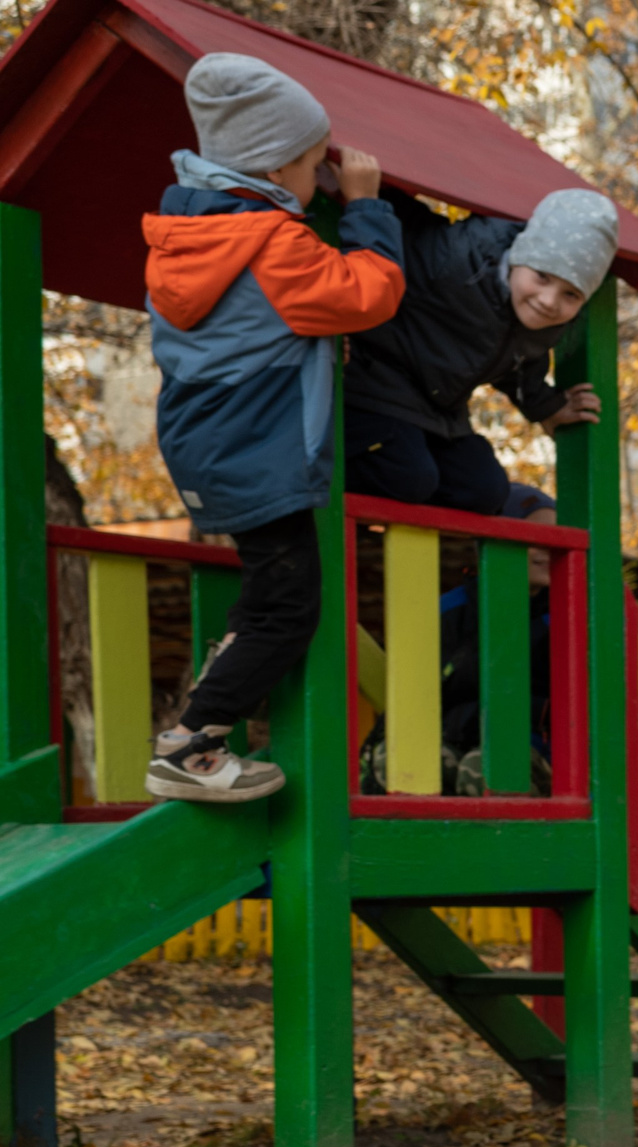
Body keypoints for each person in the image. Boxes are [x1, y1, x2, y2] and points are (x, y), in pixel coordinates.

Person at [142, 53, 404, 803]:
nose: (319, 178)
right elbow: (370, 293)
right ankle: (191, 741)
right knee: (291, 608)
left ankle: (209, 702)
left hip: (203, 440)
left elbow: (255, 327)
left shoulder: (185, 235)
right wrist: (364, 208)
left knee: (268, 590)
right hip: (257, 446)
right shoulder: (274, 242)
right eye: (314, 166)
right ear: (276, 168)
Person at [344, 185, 619, 524]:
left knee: (482, 492)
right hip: (372, 382)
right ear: (519, 257)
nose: (549, 300)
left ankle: (461, 537)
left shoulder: (543, 322)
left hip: (439, 411)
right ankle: (316, 473)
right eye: (542, 277)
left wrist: (547, 406)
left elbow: (521, 364)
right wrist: (365, 197)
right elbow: (402, 230)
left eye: (571, 294)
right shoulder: (457, 259)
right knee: (408, 476)